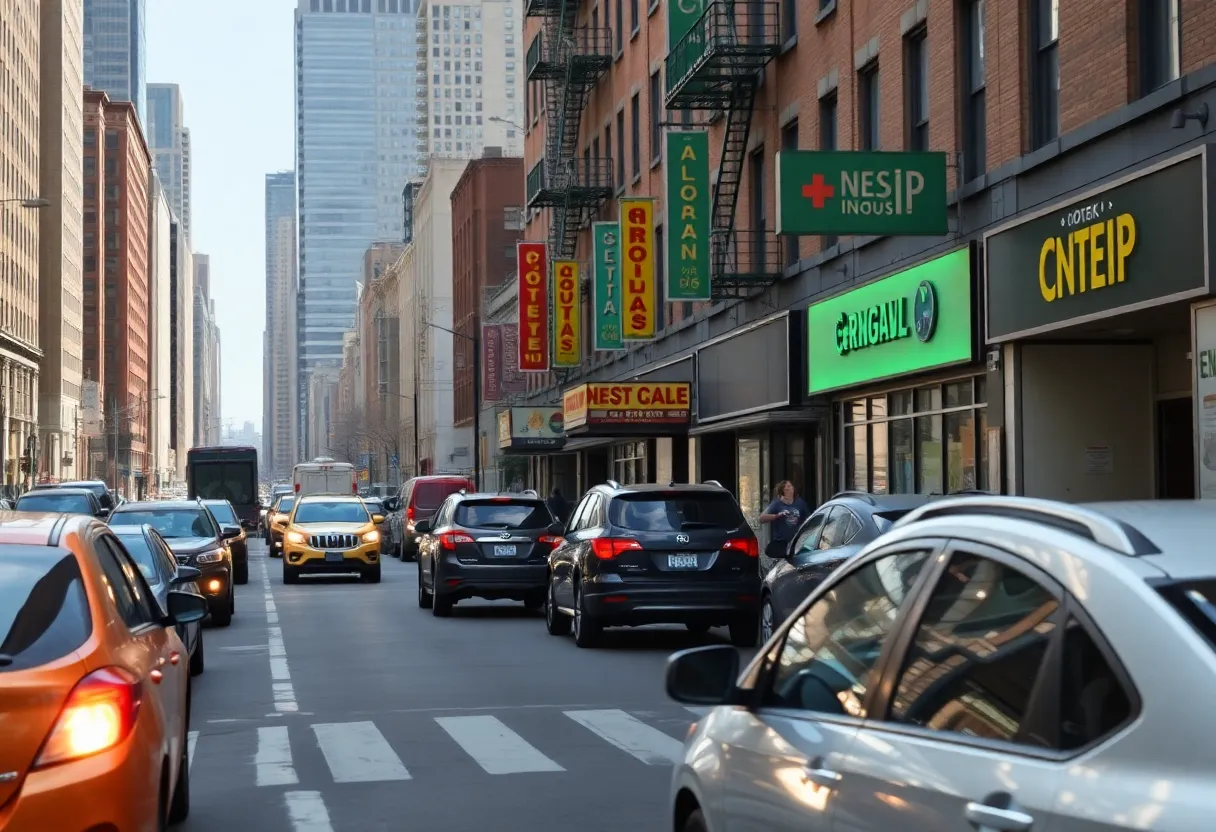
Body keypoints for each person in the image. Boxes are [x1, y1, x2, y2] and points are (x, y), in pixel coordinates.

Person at [759, 480, 810, 559]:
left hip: (797, 541)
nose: (790, 489)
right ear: (783, 492)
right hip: (781, 541)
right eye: (787, 488)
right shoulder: (776, 504)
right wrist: (777, 515)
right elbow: (761, 518)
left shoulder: (800, 503)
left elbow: (808, 519)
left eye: (790, 486)